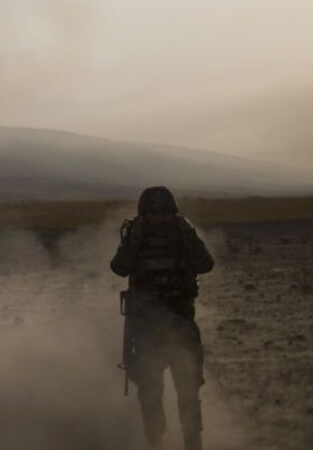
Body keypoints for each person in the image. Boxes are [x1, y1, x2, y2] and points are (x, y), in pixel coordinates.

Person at [111, 186, 215, 450]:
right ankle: (155, 443)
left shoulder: (183, 233)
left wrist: (189, 235)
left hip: (180, 326)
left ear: (173, 213)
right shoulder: (136, 235)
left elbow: (206, 264)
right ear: (144, 215)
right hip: (147, 330)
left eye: (165, 213)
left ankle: (193, 444)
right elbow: (119, 268)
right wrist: (134, 241)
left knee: (189, 393)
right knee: (150, 394)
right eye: (153, 214)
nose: (159, 218)